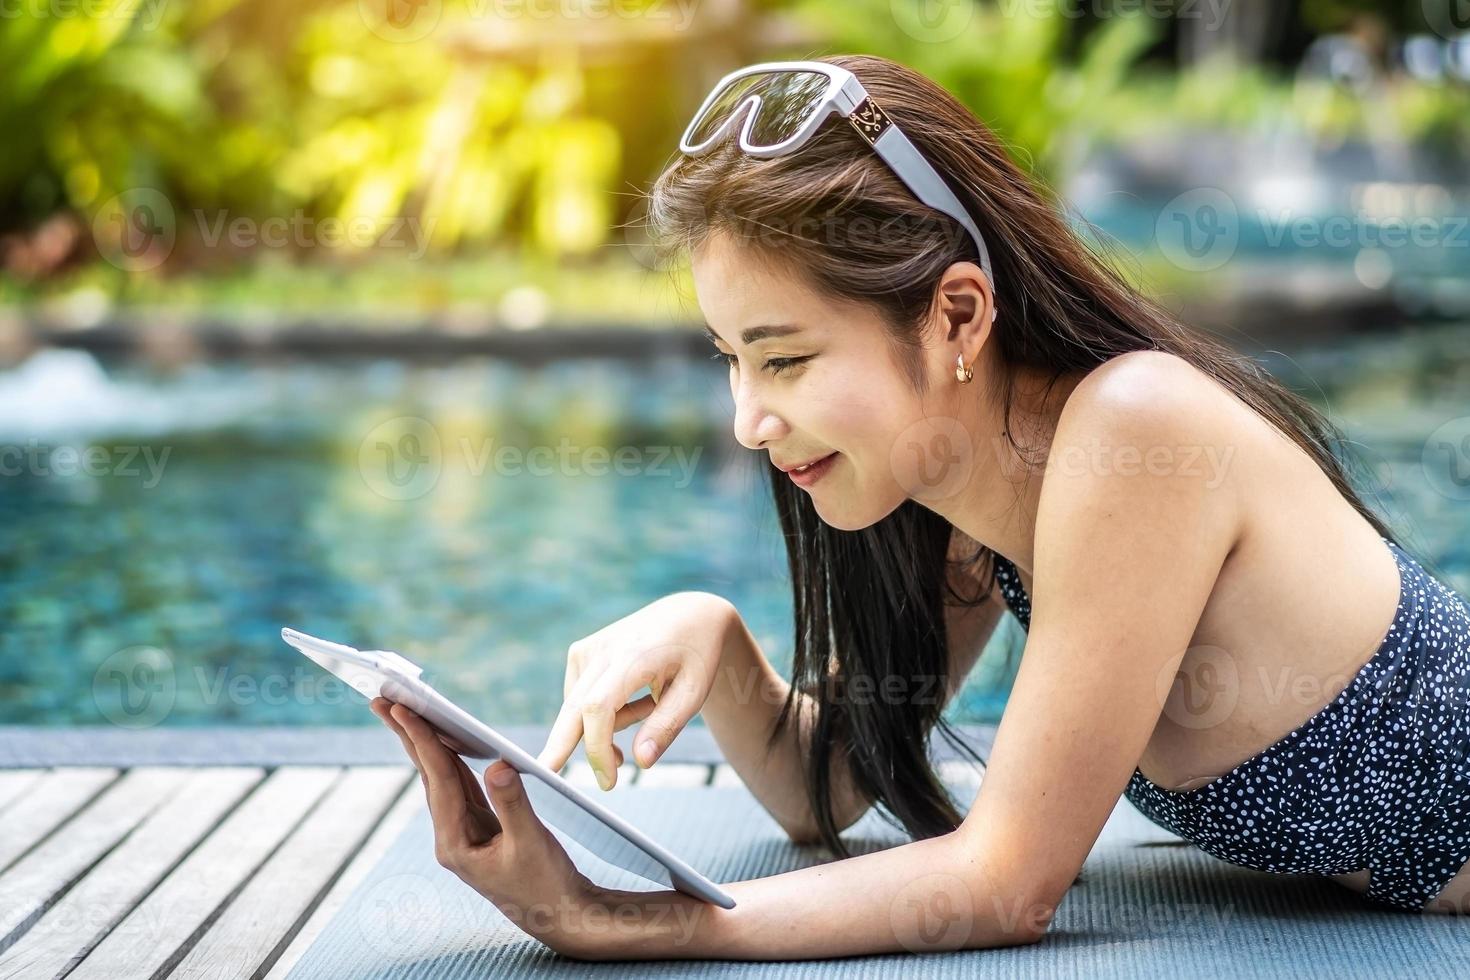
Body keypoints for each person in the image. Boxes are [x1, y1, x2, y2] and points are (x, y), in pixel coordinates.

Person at [371, 53, 1470, 960]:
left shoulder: (1141, 433)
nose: (750, 418)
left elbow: (1006, 882)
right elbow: (833, 788)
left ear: (955, 315)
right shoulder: (969, 502)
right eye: (731, 360)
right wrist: (717, 636)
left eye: (786, 357)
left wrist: (615, 920)